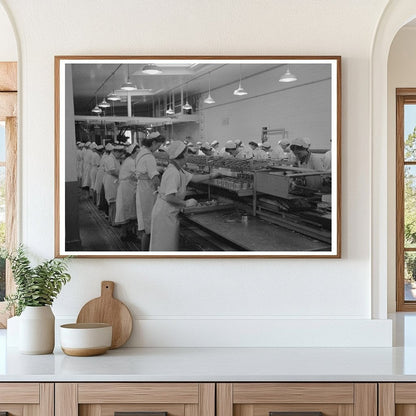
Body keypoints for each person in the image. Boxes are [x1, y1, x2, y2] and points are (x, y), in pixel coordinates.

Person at [149, 141, 220, 251]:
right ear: (181, 155)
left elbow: (194, 178)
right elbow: (169, 197)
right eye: (187, 153)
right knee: (164, 248)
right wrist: (185, 203)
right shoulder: (173, 172)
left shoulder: (178, 169)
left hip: (169, 213)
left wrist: (212, 175)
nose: (189, 155)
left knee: (168, 248)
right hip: (164, 214)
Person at [136, 132, 165, 251]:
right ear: (153, 143)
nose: (158, 148)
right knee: (149, 224)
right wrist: (164, 191)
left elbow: (144, 170)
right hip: (147, 190)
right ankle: (147, 253)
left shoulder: (142, 152)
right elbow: (155, 179)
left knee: (145, 222)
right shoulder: (149, 157)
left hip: (141, 188)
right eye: (158, 145)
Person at [115, 143, 140, 241]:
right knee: (126, 211)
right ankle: (125, 234)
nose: (139, 154)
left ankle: (128, 233)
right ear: (133, 153)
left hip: (127, 187)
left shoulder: (129, 160)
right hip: (126, 189)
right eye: (137, 152)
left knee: (128, 211)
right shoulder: (131, 162)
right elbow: (137, 174)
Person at [103, 144, 124, 226]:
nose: (120, 155)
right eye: (119, 153)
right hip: (111, 181)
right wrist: (122, 176)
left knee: (114, 202)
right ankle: (113, 222)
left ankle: (112, 220)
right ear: (115, 152)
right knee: (113, 202)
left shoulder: (114, 158)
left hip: (113, 181)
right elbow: (113, 171)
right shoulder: (110, 159)